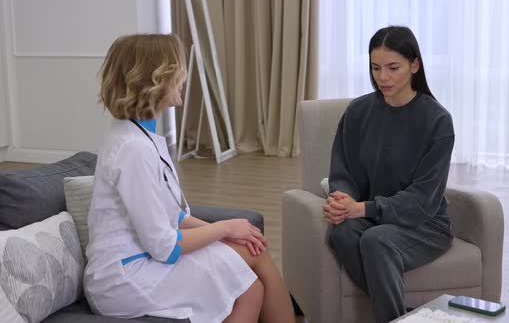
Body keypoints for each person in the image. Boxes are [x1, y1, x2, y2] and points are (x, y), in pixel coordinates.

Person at [84, 34, 295, 323]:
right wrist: (223, 228)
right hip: (124, 279)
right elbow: (165, 247)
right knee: (251, 276)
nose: (183, 78)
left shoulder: (141, 136)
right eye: (178, 71)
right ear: (155, 80)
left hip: (141, 260)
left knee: (252, 276)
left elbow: (175, 215)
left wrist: (230, 231)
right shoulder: (132, 149)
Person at [324, 26, 455, 323]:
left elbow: (423, 199)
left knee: (376, 240)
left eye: (393, 68)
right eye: (375, 68)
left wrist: (364, 208)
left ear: (414, 65)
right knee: (343, 232)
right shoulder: (357, 112)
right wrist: (342, 197)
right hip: (372, 216)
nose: (382, 77)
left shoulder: (437, 121)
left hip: (425, 225)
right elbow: (343, 169)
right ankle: (404, 317)